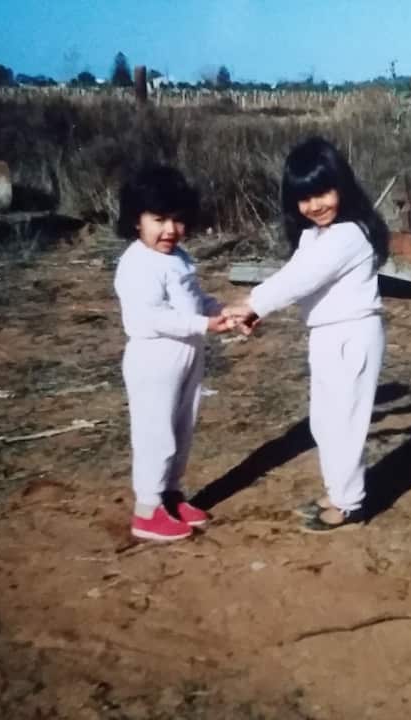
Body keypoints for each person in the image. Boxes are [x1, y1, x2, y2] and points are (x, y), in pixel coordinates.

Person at [224, 136, 389, 532]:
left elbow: (301, 279)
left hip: (352, 334)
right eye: (304, 198)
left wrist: (253, 303)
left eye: (322, 193)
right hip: (326, 335)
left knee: (344, 422)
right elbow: (296, 276)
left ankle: (350, 504)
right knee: (324, 421)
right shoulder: (314, 235)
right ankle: (338, 491)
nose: (315, 205)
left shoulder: (349, 234)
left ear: (342, 187)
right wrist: (257, 311)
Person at [114, 165, 235, 541]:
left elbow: (192, 299)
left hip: (187, 353)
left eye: (178, 220)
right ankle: (147, 510)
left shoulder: (178, 256)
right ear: (137, 220)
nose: (170, 230)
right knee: (156, 432)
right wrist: (203, 324)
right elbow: (153, 317)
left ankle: (170, 493)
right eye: (159, 219)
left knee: (182, 427)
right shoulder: (137, 263)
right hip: (155, 357)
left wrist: (221, 311)